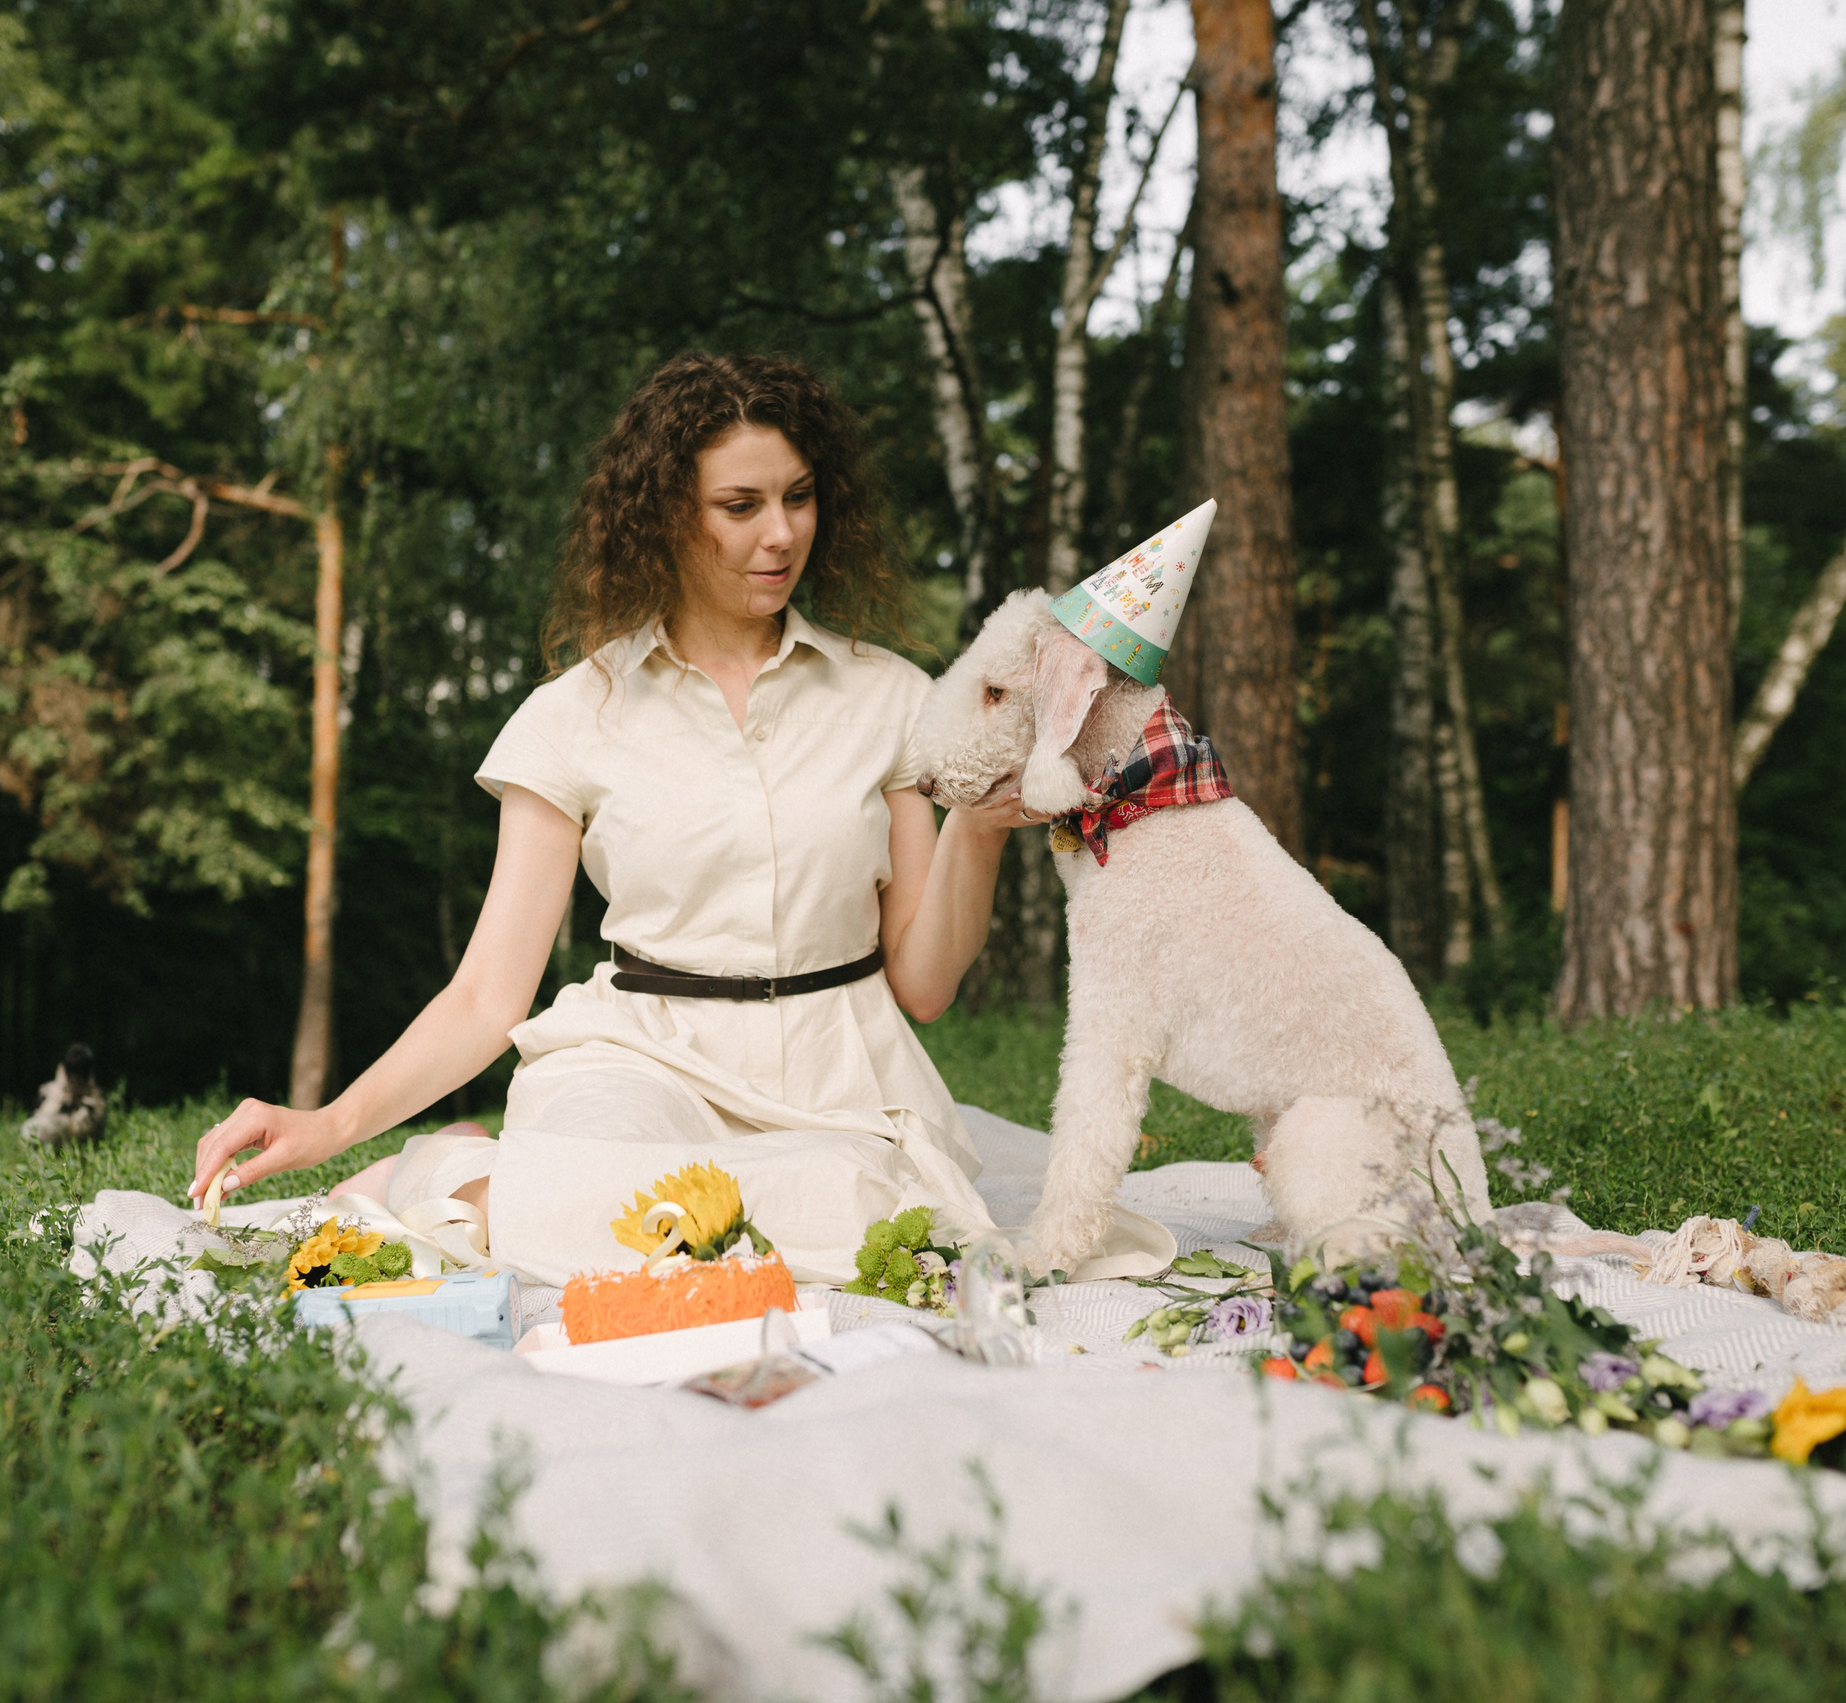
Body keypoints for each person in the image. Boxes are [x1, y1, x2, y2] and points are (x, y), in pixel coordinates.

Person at [185, 353, 1143, 1283]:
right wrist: (328, 1124)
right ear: (665, 519)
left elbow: (923, 987)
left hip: (839, 1074)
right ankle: (436, 1166)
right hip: (640, 1064)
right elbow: (486, 998)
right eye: (741, 507)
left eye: (798, 497)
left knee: (881, 1224)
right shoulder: (576, 713)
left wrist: (973, 831)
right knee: (624, 1202)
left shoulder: (889, 696)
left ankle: (498, 1188)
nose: (782, 535)